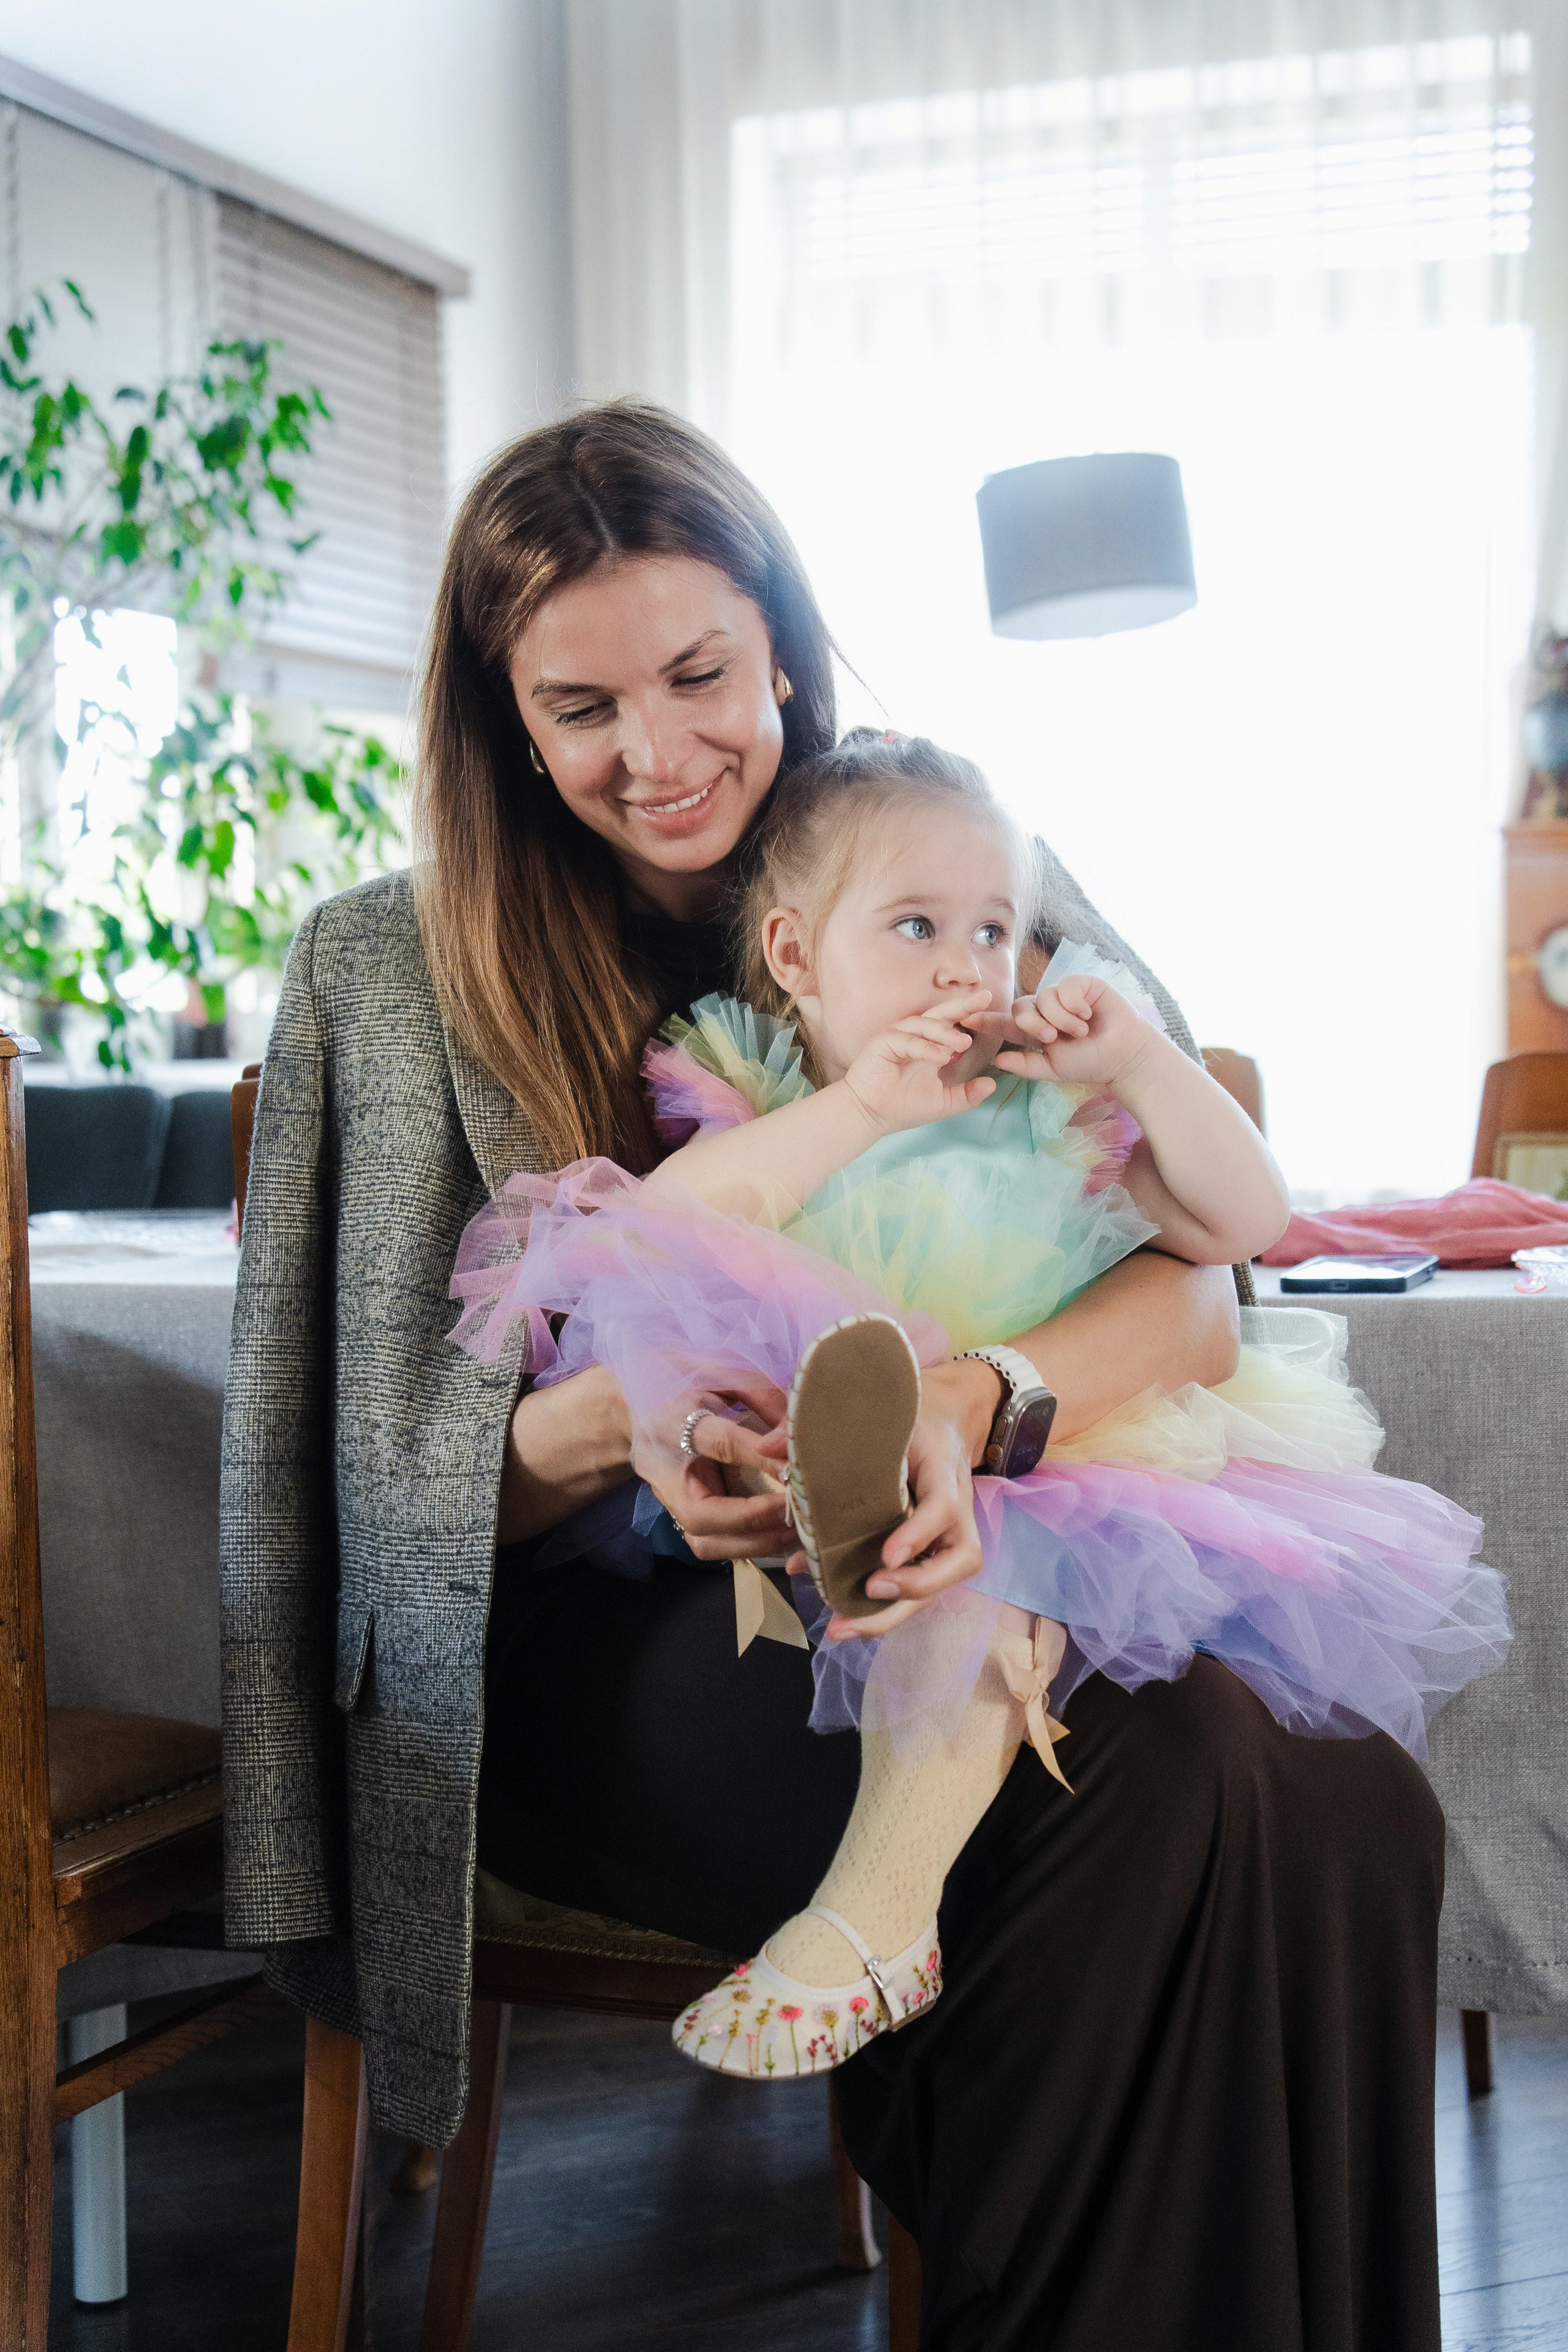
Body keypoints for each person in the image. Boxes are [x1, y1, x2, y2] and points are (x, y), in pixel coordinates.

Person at [222, 399, 1450, 2348]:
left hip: (973, 1556)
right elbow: (359, 1468)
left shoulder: (947, 866)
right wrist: (623, 1427)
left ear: (780, 642)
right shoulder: (390, 969)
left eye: (703, 674)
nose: (661, 751)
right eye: (586, 705)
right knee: (1143, 1790)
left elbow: (1201, 1293)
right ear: (506, 718)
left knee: (1340, 1793)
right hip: (594, 1644)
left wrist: (980, 1406)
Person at [449, 729, 1506, 2082]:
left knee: (989, 1582)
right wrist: (864, 1111)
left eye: (995, 930)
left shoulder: (1041, 1123)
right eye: (914, 927)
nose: (966, 966)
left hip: (1044, 1469)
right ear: (791, 959)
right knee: (921, 1589)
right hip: (813, 1499)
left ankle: (878, 1921)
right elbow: (640, 1237)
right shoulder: (768, 1110)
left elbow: (1247, 1222)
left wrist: (1138, 1067)